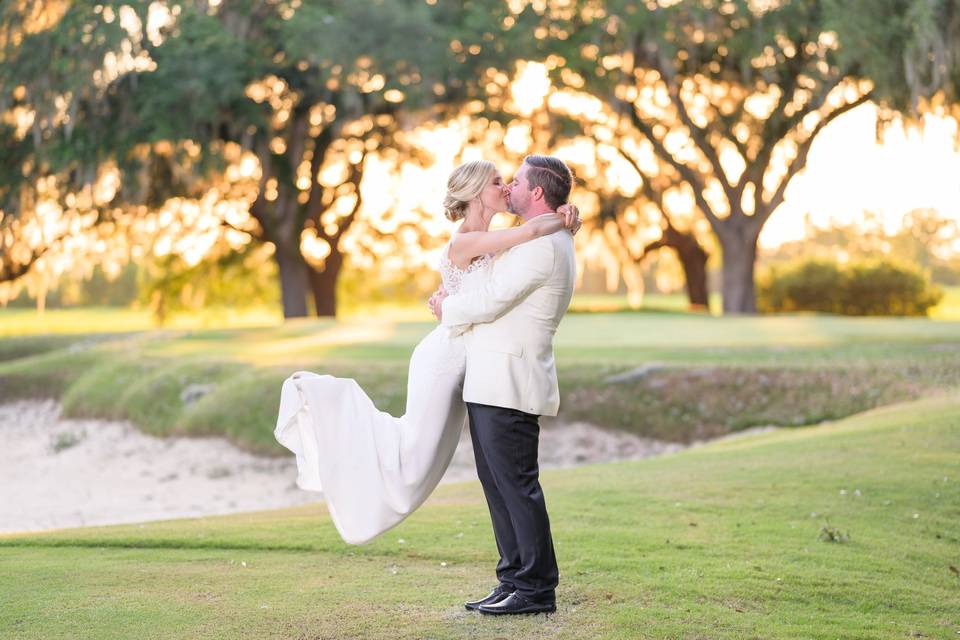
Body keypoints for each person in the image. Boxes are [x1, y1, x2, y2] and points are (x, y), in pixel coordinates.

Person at [273, 159, 580, 547]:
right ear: (474, 194)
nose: (505, 187)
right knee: (415, 455)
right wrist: (566, 217)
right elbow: (533, 232)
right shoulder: (470, 240)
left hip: (473, 362)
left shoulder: (503, 238)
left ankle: (520, 579)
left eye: (511, 181)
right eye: (499, 182)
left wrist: (567, 215)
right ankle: (327, 400)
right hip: (445, 356)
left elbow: (503, 270)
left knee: (441, 460)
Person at [429, 154, 577, 616]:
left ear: (536, 193)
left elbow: (491, 301)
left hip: (510, 380)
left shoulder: (542, 246)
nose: (509, 187)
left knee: (517, 486)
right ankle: (513, 578)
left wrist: (445, 308)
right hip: (490, 379)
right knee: (497, 485)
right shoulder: (534, 238)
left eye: (515, 181)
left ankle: (536, 589)